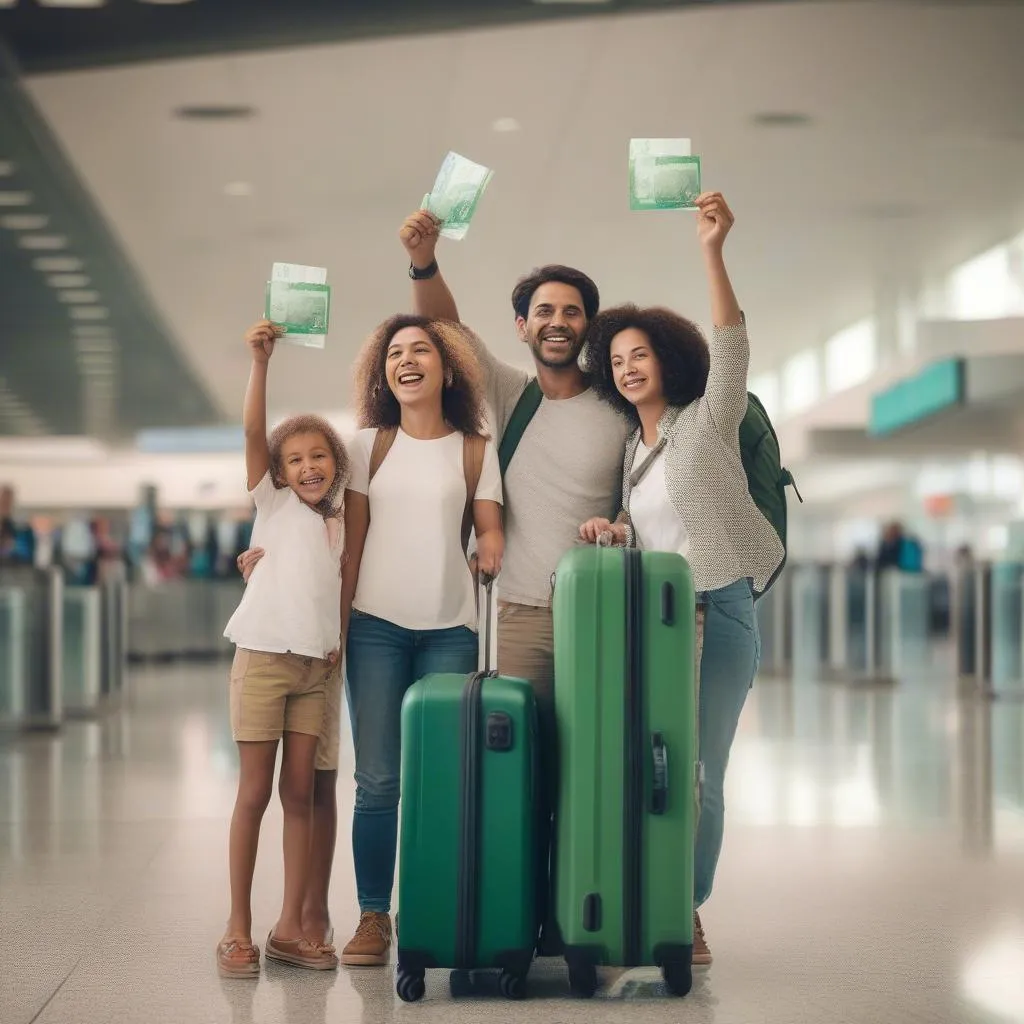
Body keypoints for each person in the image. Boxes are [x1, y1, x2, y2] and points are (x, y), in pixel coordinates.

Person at [239, 314, 504, 968]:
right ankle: (371, 916)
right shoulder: (364, 446)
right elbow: (334, 534)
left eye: (420, 350)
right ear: (383, 373)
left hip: (451, 630)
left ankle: (432, 907)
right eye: (394, 353)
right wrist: (264, 556)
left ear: (447, 368)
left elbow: (490, 526)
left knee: (439, 780)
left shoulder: (475, 446)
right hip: (376, 631)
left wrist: (493, 542)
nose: (406, 360)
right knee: (379, 779)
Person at [399, 210, 632, 951]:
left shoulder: (619, 403)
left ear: (588, 327)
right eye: (544, 313)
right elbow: (449, 332)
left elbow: (642, 494)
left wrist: (620, 527)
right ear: (524, 326)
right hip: (524, 614)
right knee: (521, 771)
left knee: (588, 770)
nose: (557, 322)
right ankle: (519, 913)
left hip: (597, 616)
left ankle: (580, 910)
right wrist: (424, 263)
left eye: (571, 312)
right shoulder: (506, 393)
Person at [578, 192, 785, 967]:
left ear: (668, 357)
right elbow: (659, 529)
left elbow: (732, 344)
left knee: (700, 768)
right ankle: (649, 891)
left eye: (641, 355)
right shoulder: (632, 452)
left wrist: (712, 249)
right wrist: (615, 530)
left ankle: (685, 908)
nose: (629, 368)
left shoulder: (710, 416)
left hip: (718, 608)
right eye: (618, 361)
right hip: (653, 614)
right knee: (649, 758)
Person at [218, 319, 349, 978]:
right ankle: (237, 929)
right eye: (294, 459)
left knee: (301, 795)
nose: (307, 467)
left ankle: (293, 926)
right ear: (278, 472)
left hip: (316, 670)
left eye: (318, 456)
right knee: (253, 796)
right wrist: (261, 363)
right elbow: (250, 434)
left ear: (335, 463)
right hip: (265, 659)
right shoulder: (271, 506)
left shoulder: (344, 520)